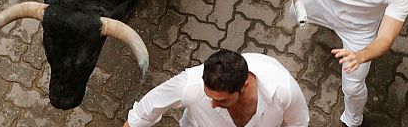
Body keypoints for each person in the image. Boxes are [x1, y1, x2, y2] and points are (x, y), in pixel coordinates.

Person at [283, 0, 408, 127]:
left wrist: (361, 56)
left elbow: (385, 39)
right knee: (293, 13)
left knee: (353, 87)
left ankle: (353, 120)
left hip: (358, 29)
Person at [124, 49, 309, 127]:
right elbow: (141, 115)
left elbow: (297, 124)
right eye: (209, 96)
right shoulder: (189, 86)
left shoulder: (284, 90)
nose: (212, 104)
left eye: (221, 100)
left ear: (244, 85)